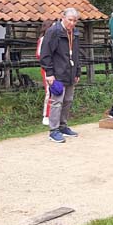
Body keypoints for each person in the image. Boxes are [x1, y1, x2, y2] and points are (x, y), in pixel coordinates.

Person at [40, 8, 82, 143]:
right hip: (57, 74)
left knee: (68, 100)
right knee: (57, 102)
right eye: (70, 20)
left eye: (75, 21)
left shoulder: (74, 33)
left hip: (70, 72)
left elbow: (75, 53)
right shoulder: (53, 32)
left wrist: (77, 71)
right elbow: (45, 53)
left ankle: (63, 126)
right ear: (63, 17)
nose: (72, 23)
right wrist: (49, 73)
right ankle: (53, 130)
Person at [35, 20, 55, 125]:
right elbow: (39, 54)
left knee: (57, 90)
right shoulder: (43, 40)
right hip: (47, 68)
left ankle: (55, 114)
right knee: (49, 92)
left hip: (56, 68)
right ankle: (46, 115)